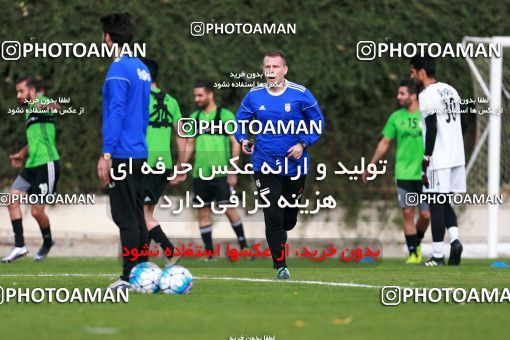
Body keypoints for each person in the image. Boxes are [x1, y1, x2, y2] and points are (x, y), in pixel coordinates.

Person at [235, 51, 324, 279]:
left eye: (275, 66)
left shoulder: (301, 94)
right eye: (267, 66)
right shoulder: (254, 96)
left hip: (295, 167)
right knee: (272, 213)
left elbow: (318, 122)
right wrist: (243, 139)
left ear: (285, 69)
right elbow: (240, 121)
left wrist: (303, 144)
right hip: (264, 165)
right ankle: (280, 265)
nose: (271, 70)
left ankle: (284, 229)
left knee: (288, 219)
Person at [97, 12, 152, 290]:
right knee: (137, 215)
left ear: (108, 37)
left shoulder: (118, 69)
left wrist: (107, 154)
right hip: (139, 152)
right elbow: (144, 114)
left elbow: (116, 112)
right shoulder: (142, 68)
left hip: (121, 153)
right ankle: (141, 273)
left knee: (125, 217)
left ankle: (129, 277)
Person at [183, 80, 253, 261]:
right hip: (200, 174)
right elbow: (189, 144)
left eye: (200, 95)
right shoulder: (194, 118)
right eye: (195, 95)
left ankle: (244, 249)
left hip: (221, 173)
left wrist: (233, 169)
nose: (197, 99)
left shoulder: (225, 115)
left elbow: (235, 142)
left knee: (228, 209)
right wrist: (182, 165)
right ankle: (209, 254)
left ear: (210, 94)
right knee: (203, 211)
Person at [362, 80, 430, 264]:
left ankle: (416, 241)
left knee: (426, 215)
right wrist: (371, 165)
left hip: (426, 174)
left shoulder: (427, 115)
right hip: (404, 173)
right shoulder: (395, 117)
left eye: (402, 94)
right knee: (408, 213)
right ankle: (414, 253)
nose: (398, 97)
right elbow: (385, 142)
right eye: (398, 94)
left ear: (413, 95)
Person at [410, 55, 467, 266]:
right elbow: (464, 125)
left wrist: (427, 157)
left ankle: (436, 255)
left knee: (435, 203)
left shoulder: (427, 94)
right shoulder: (451, 90)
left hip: (439, 158)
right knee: (444, 202)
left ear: (422, 72)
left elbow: (432, 127)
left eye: (413, 72)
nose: (412, 76)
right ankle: (455, 241)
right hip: (456, 156)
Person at [2, 77, 60, 263]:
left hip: (47, 164)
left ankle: (48, 241)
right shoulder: (28, 111)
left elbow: (57, 107)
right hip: (31, 165)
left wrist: (49, 106)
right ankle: (19, 245)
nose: (18, 95)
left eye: (21, 91)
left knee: (36, 212)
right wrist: (21, 153)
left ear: (32, 90)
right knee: (12, 199)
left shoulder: (41, 102)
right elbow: (34, 140)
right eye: (17, 92)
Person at [141, 58, 186, 266]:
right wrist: (181, 165)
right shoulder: (172, 101)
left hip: (145, 164)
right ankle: (142, 260)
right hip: (164, 165)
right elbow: (181, 136)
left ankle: (170, 252)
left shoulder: (139, 99)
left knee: (141, 215)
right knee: (146, 213)